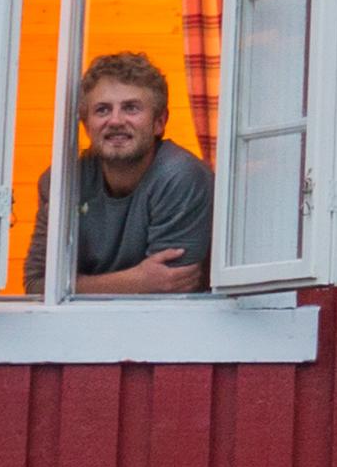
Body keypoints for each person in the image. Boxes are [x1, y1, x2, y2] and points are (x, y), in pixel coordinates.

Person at [27, 51, 213, 293]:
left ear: (159, 122)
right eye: (102, 110)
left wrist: (74, 288)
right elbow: (37, 285)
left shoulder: (180, 176)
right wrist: (137, 281)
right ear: (86, 125)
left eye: (131, 108)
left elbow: (170, 291)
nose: (115, 120)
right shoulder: (61, 181)